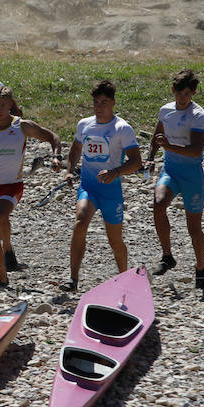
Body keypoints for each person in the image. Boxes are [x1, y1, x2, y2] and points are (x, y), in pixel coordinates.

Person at [0, 87, 60, 289]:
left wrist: (56, 155)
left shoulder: (22, 126)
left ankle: (8, 248)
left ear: (10, 104)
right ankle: (3, 276)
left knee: (1, 214)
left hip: (12, 185)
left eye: (3, 105)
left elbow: (53, 137)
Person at [64, 81, 142, 290]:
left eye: (104, 102)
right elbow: (75, 150)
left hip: (111, 193)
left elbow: (136, 162)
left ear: (113, 103)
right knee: (80, 221)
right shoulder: (85, 124)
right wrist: (69, 171)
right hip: (89, 188)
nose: (99, 107)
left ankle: (125, 279)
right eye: (96, 102)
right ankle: (73, 278)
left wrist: (115, 172)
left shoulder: (122, 128)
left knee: (115, 241)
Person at [147, 71, 204, 288]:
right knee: (158, 204)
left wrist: (168, 146)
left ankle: (200, 267)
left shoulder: (198, 114)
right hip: (170, 170)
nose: (183, 98)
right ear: (173, 90)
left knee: (194, 228)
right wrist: (150, 158)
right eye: (179, 93)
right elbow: (157, 138)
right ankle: (167, 256)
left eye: (187, 94)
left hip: (192, 175)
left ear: (193, 93)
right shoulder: (166, 110)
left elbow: (195, 150)